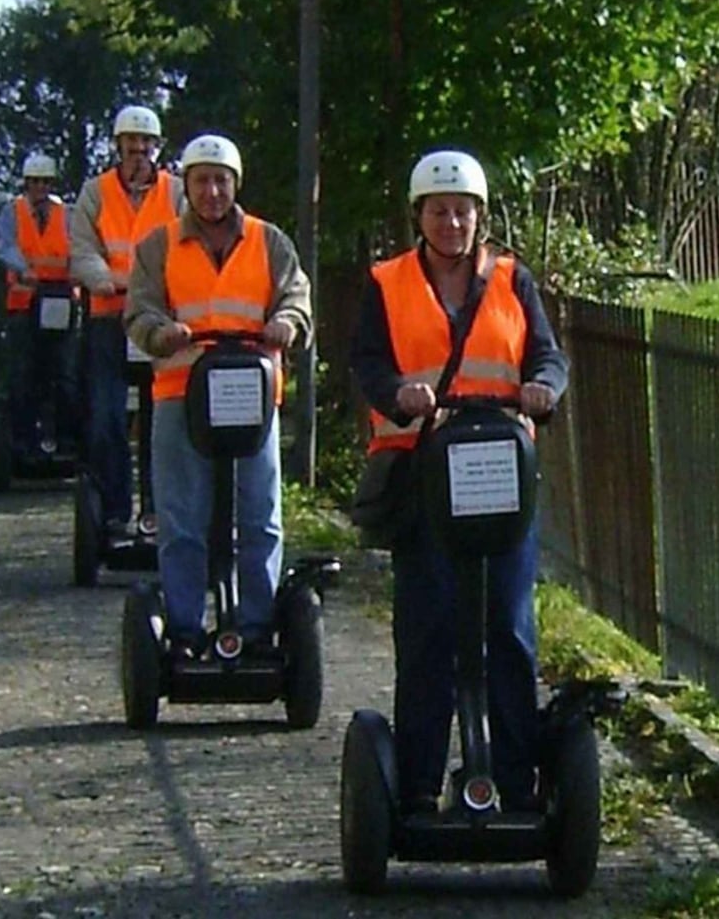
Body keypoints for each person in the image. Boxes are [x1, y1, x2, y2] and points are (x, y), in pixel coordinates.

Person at [349, 149, 569, 815]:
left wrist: (543, 389)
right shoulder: (386, 283)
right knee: (429, 627)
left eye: (464, 211)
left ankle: (516, 779)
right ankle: (415, 782)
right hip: (424, 474)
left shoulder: (512, 280)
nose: (453, 222)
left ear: (480, 217)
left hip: (502, 472)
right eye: (440, 211)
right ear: (419, 216)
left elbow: (548, 354)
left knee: (507, 624)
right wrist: (399, 394)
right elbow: (367, 361)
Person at [124, 133, 312, 656]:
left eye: (221, 181)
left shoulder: (268, 241)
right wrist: (161, 334)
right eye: (202, 180)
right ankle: (183, 630)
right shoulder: (158, 245)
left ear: (235, 184)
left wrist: (285, 325)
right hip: (181, 395)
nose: (211, 191)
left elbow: (297, 298)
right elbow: (138, 310)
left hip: (252, 399)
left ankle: (255, 628)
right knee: (182, 521)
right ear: (187, 185)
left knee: (260, 516)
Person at [69, 105, 182, 540]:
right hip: (108, 318)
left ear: (156, 149)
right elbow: (81, 250)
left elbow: (186, 245)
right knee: (104, 418)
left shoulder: (175, 194)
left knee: (164, 418)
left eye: (145, 148)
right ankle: (114, 510)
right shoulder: (95, 193)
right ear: (117, 147)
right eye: (130, 148)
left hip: (158, 324)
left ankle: (157, 512)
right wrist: (108, 281)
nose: (138, 156)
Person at [0, 153, 76, 459]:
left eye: (45, 182)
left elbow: (78, 246)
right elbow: (6, 246)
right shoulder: (11, 211)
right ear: (27, 183)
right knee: (23, 374)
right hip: (24, 303)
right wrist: (23, 268)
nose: (40, 187)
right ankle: (22, 441)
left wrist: (79, 270)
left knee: (65, 374)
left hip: (62, 301)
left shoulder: (65, 213)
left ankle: (67, 438)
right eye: (35, 182)